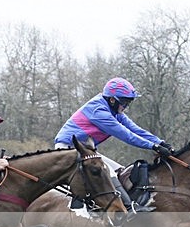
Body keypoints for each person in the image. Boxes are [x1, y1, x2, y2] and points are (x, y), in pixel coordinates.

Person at [54, 77, 174, 213]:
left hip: (85, 151)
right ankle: (128, 209)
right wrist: (153, 147)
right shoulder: (99, 111)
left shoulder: (113, 110)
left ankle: (114, 207)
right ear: (112, 100)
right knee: (108, 173)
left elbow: (135, 129)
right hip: (69, 149)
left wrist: (160, 142)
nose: (126, 106)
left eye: (128, 102)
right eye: (125, 102)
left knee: (120, 171)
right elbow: (127, 135)